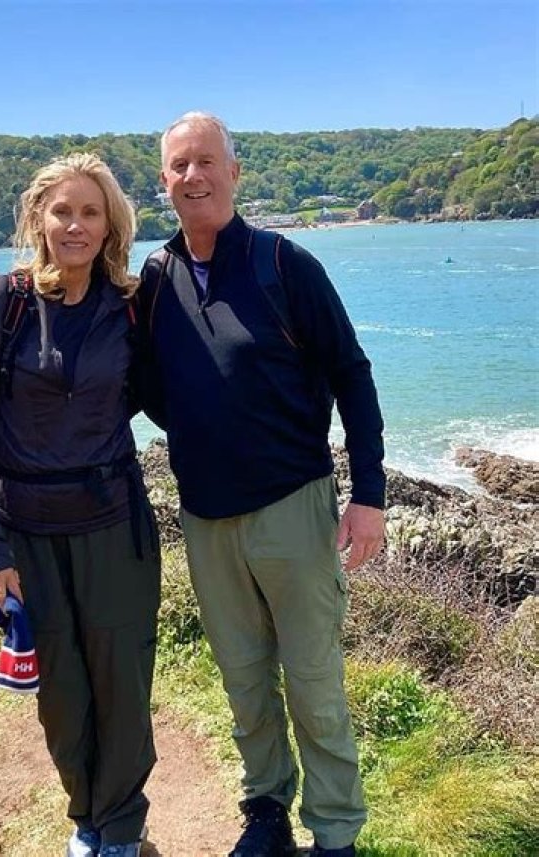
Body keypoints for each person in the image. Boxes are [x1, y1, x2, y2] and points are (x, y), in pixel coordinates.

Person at [138, 113, 385, 857]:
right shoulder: (156, 279)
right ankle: (267, 811)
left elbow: (352, 374)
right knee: (244, 682)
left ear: (234, 173)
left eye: (207, 161)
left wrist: (368, 495)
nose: (194, 176)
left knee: (313, 682)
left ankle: (334, 832)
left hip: (293, 509)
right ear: (164, 181)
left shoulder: (285, 263)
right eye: (180, 165)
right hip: (206, 520)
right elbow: (149, 389)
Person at [0, 152, 160, 857]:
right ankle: (86, 818)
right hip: (28, 536)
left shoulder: (130, 307)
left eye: (90, 212)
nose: (75, 225)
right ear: (39, 218)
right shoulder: (0, 304)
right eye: (62, 211)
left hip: (114, 529)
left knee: (122, 685)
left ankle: (121, 828)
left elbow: (162, 394)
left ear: (110, 226)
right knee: (62, 694)